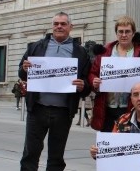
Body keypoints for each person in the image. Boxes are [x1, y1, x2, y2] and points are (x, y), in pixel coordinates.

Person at [18, 11, 91, 171]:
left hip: (63, 112)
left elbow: (87, 82)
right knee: (30, 154)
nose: (59, 26)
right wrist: (24, 69)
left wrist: (83, 85)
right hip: (37, 109)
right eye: (56, 23)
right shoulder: (36, 46)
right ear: (52, 26)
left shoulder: (80, 52)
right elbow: (22, 73)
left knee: (56, 158)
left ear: (70, 27)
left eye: (63, 24)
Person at [89, 15, 140, 132]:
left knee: (128, 144)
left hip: (131, 108)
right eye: (120, 31)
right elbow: (92, 73)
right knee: (109, 145)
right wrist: (94, 81)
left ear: (133, 33)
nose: (124, 35)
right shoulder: (105, 52)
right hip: (107, 108)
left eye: (127, 31)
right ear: (116, 33)